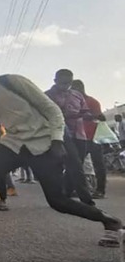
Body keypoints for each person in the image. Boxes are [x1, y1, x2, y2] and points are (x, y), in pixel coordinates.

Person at [0, 59, 123, 248]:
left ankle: (109, 220)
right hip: (14, 143)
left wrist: (57, 141)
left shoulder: (12, 82)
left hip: (43, 142)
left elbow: (52, 110)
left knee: (57, 201)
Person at [45, 69, 95, 206]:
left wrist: (89, 116)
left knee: (76, 163)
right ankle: (86, 199)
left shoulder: (77, 95)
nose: (66, 85)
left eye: (69, 82)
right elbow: (47, 115)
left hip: (79, 133)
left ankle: (65, 194)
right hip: (60, 134)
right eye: (63, 82)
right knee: (75, 165)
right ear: (55, 81)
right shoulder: (47, 96)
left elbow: (85, 111)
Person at [71, 80, 107, 199]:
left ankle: (100, 190)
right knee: (76, 164)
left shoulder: (92, 101)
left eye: (75, 88)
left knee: (98, 164)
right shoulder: (73, 102)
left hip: (93, 137)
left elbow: (100, 117)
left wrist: (89, 116)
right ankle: (77, 189)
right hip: (80, 137)